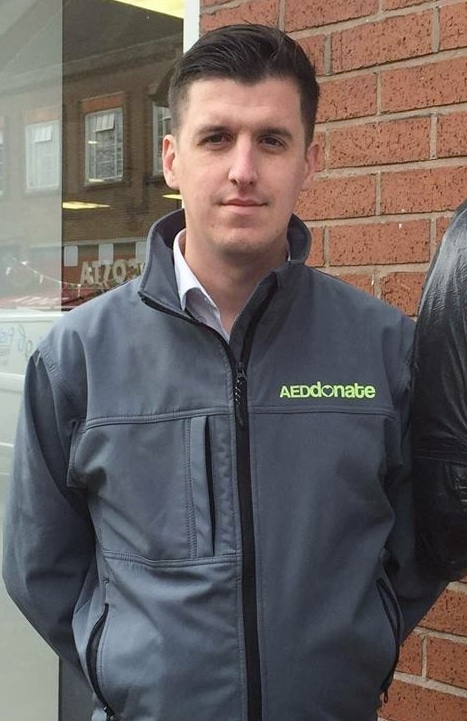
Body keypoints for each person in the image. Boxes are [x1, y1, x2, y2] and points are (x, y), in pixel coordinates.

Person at [3, 24, 442, 721]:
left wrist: (365, 642)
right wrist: (120, 667)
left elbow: (422, 540)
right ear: (172, 158)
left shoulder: (382, 347)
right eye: (216, 138)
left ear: (309, 161)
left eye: (271, 140)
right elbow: (39, 564)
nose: (244, 168)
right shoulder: (79, 355)